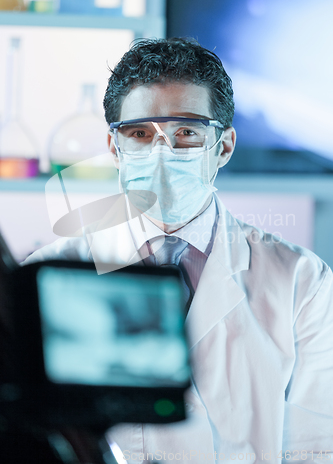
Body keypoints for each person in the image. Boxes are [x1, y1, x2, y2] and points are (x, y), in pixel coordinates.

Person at [24, 39, 333, 462]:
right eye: (139, 134)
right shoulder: (51, 275)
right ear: (115, 148)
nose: (162, 152)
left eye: (186, 133)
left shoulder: (303, 282)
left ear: (223, 147)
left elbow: (316, 448)